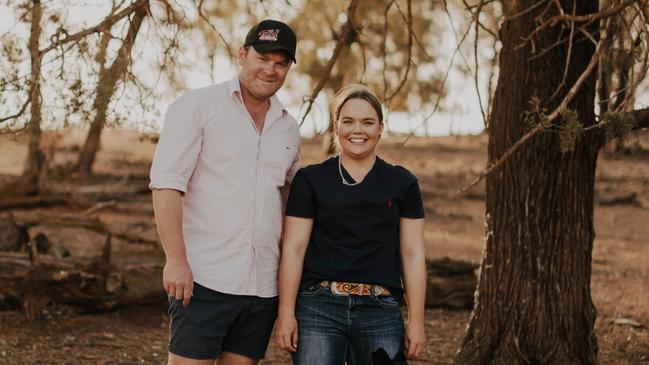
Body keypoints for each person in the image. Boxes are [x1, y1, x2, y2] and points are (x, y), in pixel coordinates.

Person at [149, 19, 300, 365]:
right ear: (242, 54)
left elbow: (292, 200)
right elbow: (167, 184)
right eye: (262, 58)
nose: (270, 70)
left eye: (280, 63)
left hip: (263, 288)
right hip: (204, 280)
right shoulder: (196, 107)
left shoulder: (288, 127)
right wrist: (176, 260)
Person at [275, 84, 427, 365]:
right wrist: (286, 313)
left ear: (380, 127)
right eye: (348, 121)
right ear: (336, 126)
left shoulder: (402, 182)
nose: (358, 130)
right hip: (318, 305)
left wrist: (416, 321)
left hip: (380, 307)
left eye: (367, 122)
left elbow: (413, 254)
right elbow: (294, 249)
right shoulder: (311, 180)